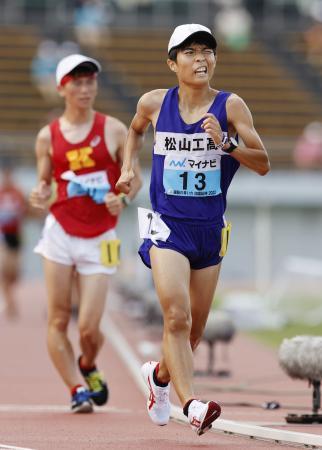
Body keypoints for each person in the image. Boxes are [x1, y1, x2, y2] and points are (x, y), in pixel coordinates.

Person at [116, 24, 270, 435]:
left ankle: (160, 378)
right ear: (172, 62)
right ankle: (193, 405)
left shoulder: (231, 106)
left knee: (194, 330)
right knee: (176, 316)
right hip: (166, 226)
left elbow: (263, 161)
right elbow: (133, 131)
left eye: (207, 51)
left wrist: (226, 144)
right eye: (190, 52)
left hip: (209, 228)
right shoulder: (153, 103)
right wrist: (128, 167)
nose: (201, 58)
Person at [30, 53, 142, 413]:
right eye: (76, 82)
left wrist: (122, 199)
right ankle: (76, 389)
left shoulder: (113, 129)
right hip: (60, 232)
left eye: (90, 81)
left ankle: (89, 364)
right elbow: (44, 184)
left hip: (101, 237)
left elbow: (134, 178)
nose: (85, 88)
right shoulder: (48, 137)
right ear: (61, 88)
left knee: (89, 330)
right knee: (59, 317)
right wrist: (39, 193)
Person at [0, 167, 27, 319]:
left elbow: (25, 213)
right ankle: (10, 302)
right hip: (2, 236)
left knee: (14, 274)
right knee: (3, 270)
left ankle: (9, 291)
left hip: (15, 236)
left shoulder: (18, 193)